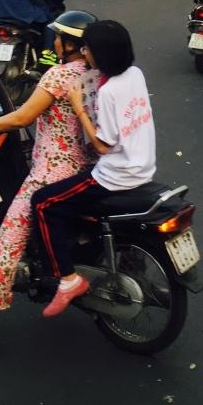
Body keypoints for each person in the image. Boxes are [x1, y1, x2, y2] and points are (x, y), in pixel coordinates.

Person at [0, 10, 102, 350]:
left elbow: (22, 118)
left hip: (52, 172)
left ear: (68, 44)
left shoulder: (59, 76)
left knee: (8, 241)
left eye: (58, 38)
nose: (54, 42)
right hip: (91, 168)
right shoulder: (98, 73)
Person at [31, 20, 155, 317]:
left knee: (43, 202)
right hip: (143, 167)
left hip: (114, 175)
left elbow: (101, 146)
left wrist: (78, 106)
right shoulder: (135, 74)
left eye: (87, 49)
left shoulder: (109, 91)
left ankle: (67, 279)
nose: (84, 53)